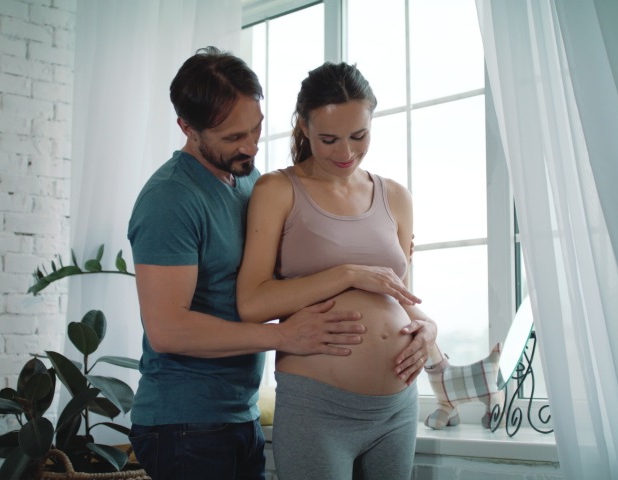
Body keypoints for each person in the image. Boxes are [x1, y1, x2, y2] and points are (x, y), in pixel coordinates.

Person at [126, 47, 431, 480]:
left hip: (239, 410)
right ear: (187, 128)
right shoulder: (170, 200)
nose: (250, 146)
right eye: (234, 137)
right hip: (186, 420)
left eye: (256, 129)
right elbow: (167, 330)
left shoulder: (244, 177)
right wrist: (284, 334)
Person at [236, 62, 438, 480]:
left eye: (358, 136)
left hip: (398, 408)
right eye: (328, 139)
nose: (345, 153)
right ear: (304, 127)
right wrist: (346, 274)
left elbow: (402, 297)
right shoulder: (277, 190)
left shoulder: (395, 196)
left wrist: (429, 328)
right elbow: (252, 303)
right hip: (318, 406)